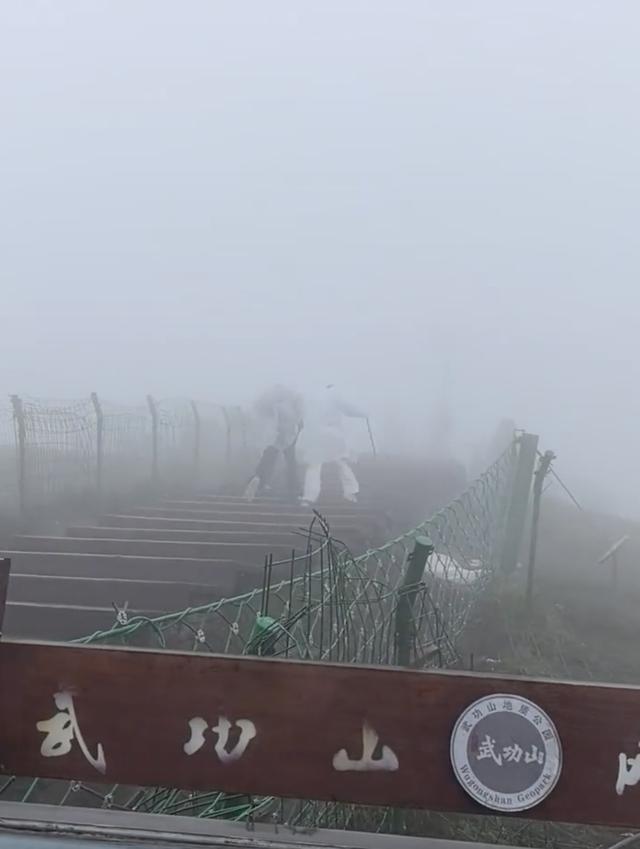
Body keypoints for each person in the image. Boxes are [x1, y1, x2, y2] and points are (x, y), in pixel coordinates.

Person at [300, 385, 368, 505]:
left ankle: (309, 497)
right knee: (340, 462)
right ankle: (351, 492)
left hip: (314, 434)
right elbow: (348, 409)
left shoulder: (311, 396)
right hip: (331, 434)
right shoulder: (334, 395)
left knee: (314, 465)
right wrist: (363, 413)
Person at [243, 385, 304, 503]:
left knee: (268, 460)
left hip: (278, 437)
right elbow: (298, 423)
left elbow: (275, 422)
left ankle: (258, 480)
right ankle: (294, 489)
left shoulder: (277, 405)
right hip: (289, 437)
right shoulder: (292, 405)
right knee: (291, 464)